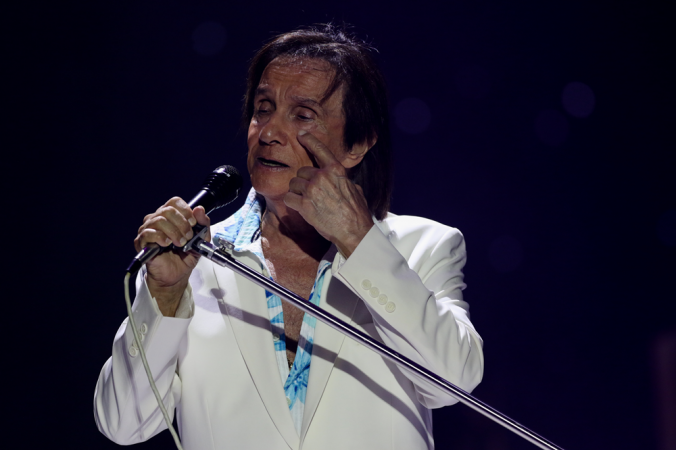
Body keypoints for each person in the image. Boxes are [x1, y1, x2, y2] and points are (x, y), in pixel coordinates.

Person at [94, 24, 484, 450]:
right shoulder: (190, 260)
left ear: (358, 144)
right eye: (263, 109)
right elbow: (123, 424)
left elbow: (451, 384)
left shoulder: (422, 247)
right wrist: (165, 294)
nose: (268, 132)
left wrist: (359, 240)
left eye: (302, 115)